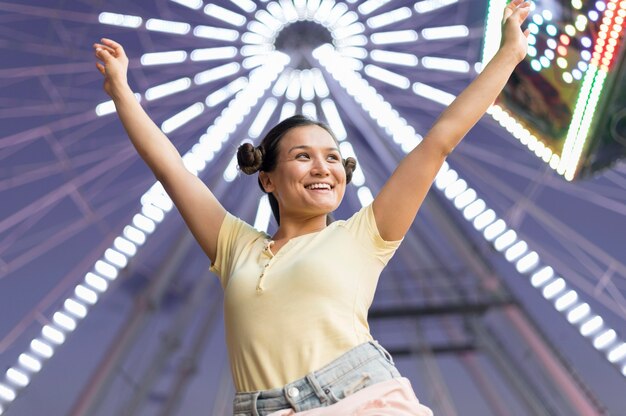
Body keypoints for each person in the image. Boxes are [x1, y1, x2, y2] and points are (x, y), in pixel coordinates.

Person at [93, 0, 530, 414]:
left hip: (357, 399)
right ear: (267, 177)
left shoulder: (364, 236)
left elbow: (439, 142)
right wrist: (121, 92)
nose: (323, 167)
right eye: (303, 156)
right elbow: (172, 171)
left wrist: (509, 53)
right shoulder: (235, 248)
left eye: (334, 157)